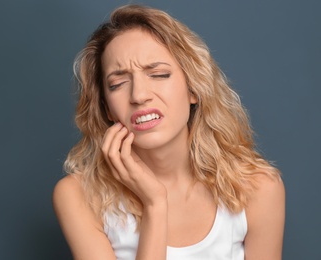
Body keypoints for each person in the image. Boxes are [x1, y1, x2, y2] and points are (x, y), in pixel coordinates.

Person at [53, 4, 285, 260]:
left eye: (159, 74)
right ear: (107, 108)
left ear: (194, 90)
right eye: (118, 84)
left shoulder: (259, 188)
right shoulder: (79, 197)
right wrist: (155, 203)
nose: (139, 96)